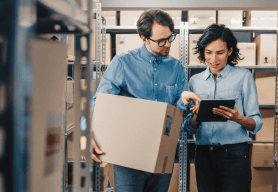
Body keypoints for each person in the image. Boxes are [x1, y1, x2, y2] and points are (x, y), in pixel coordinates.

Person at [91, 9, 201, 192]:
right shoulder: (123, 63)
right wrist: (87, 130)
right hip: (128, 157)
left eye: (170, 38)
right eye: (160, 41)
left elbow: (177, 115)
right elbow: (99, 103)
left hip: (162, 155)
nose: (167, 45)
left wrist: (182, 100)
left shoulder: (176, 68)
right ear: (143, 38)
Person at [183, 24, 263, 192]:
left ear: (230, 51)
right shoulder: (194, 81)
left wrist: (237, 118)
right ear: (203, 51)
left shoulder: (243, 77)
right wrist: (197, 115)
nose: (214, 59)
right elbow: (188, 127)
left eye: (220, 53)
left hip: (234, 154)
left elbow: (256, 123)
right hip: (203, 155)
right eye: (208, 52)